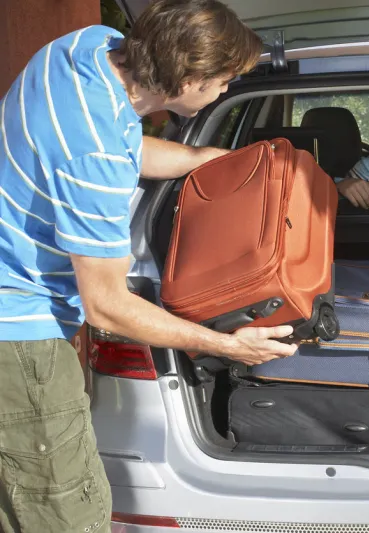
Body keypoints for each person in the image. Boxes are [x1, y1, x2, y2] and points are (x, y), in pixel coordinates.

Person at [0, 1, 298, 531]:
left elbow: (123, 144)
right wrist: (227, 346)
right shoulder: (94, 159)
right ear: (188, 80)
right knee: (66, 513)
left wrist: (201, 161)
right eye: (223, 83)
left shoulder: (83, 48)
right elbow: (107, 307)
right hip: (21, 337)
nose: (225, 92)